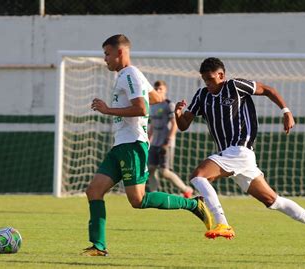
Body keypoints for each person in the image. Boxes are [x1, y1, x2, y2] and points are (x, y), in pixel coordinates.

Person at [175, 57, 305, 254]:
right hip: (233, 155)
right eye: (205, 80)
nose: (208, 84)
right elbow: (183, 125)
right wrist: (177, 113)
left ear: (221, 75)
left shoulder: (235, 86)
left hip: (240, 150)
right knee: (273, 201)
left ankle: (222, 223)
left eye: (211, 79)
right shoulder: (202, 95)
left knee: (198, 175)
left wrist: (286, 112)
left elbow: (268, 90)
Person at [82, 34, 213, 256]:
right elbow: (155, 99)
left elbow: (143, 108)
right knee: (94, 190)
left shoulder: (130, 74)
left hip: (133, 144)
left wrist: (108, 109)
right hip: (121, 145)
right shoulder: (132, 75)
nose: (104, 59)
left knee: (138, 200)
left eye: (107, 53)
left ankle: (194, 204)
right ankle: (98, 246)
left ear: (120, 52)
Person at [147, 80, 194, 198]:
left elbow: (174, 124)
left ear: (165, 90)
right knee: (151, 169)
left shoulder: (169, 105)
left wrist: (167, 141)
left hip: (165, 143)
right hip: (154, 143)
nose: (158, 91)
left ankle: (186, 189)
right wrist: (148, 139)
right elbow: (152, 125)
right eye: (156, 89)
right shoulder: (152, 105)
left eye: (160, 89)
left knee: (164, 172)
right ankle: (154, 194)